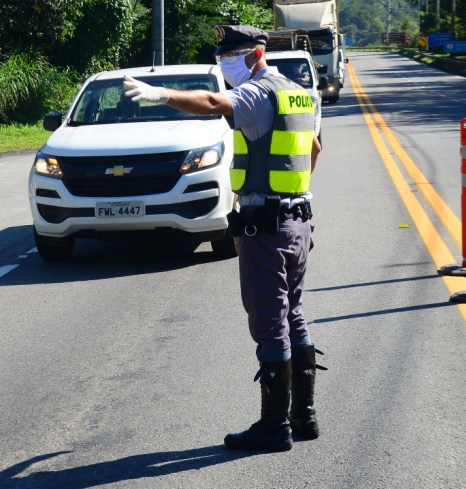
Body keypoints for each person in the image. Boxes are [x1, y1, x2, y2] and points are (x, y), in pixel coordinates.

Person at [123, 25, 322, 453]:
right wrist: (294, 193)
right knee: (295, 315)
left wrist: (161, 95)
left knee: (270, 323)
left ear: (256, 54)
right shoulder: (297, 92)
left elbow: (214, 102)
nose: (225, 64)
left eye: (232, 56)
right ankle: (303, 417)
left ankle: (273, 427)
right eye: (223, 57)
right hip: (299, 222)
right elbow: (316, 148)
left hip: (266, 228)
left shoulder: (256, 93)